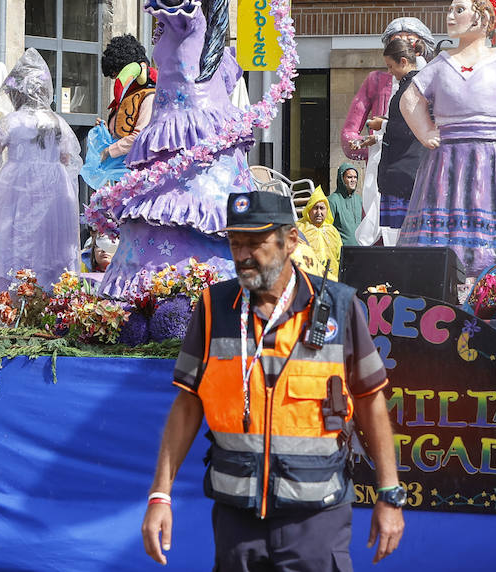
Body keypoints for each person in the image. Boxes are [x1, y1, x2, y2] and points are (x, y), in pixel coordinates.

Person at [140, 190, 403, 569]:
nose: (243, 255)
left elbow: (370, 400)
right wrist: (159, 495)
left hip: (316, 517)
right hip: (237, 519)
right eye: (234, 242)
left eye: (256, 242)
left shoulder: (340, 306)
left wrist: (389, 492)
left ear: (291, 240)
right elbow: (187, 404)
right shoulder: (213, 308)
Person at [102, 0, 245, 289]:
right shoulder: (195, 32)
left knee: (192, 206)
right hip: (173, 125)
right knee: (162, 212)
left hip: (191, 127)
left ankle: (192, 286)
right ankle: (171, 290)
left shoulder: (192, 20)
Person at [398, 0, 496, 283]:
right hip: (450, 158)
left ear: (483, 17)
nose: (450, 16)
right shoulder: (442, 63)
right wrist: (425, 131)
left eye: (458, 10)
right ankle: (448, 276)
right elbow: (410, 98)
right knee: (446, 220)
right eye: (449, 9)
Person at [0, 49, 81, 293]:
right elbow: (66, 158)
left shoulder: (10, 122)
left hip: (16, 189)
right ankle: (53, 297)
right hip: (55, 188)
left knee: (15, 241)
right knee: (52, 244)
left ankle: (17, 295)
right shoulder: (57, 122)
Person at [340, 18, 435, 163]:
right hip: (382, 164)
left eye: (410, 42)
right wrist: (365, 144)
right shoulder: (376, 80)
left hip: (419, 162)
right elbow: (349, 131)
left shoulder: (432, 82)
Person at [373, 36, 427, 246]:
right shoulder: (412, 86)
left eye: (390, 66)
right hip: (405, 171)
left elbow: (410, 129)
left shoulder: (412, 88)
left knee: (408, 236)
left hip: (407, 173)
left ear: (403, 61)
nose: (389, 72)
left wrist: (383, 125)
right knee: (405, 236)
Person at [96, 34, 156, 168]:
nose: (116, 78)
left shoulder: (149, 96)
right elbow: (122, 132)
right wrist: (106, 130)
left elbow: (140, 136)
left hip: (136, 169)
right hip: (120, 167)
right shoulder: (127, 96)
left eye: (116, 73)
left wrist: (108, 151)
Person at [295, 187, 342, 282]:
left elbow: (340, 256)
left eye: (322, 208)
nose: (319, 212)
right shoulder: (299, 228)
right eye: (315, 208)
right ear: (309, 210)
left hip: (331, 280)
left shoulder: (332, 230)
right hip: (308, 280)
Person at [326, 163, 364, 248]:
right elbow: (327, 229)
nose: (353, 180)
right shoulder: (332, 200)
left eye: (355, 177)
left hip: (360, 251)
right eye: (349, 177)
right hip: (341, 252)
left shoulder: (359, 199)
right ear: (342, 179)